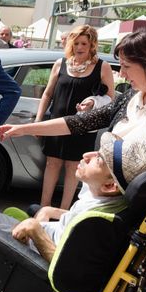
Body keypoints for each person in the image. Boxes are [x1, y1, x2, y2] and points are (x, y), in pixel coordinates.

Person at [0, 132, 146, 292]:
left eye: (98, 159)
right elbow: (74, 222)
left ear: (110, 185)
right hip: (45, 234)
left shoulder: (96, 224)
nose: (86, 155)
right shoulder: (110, 201)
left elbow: (67, 275)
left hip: (37, 255)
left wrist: (36, 228)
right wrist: (51, 211)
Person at [0, 26, 146, 197]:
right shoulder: (129, 97)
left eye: (126, 66)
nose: (122, 74)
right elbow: (79, 122)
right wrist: (24, 129)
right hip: (97, 196)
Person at [34, 25, 114, 209]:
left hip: (83, 126)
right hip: (56, 122)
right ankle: (43, 207)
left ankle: (63, 211)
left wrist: (93, 103)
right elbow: (47, 94)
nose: (79, 47)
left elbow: (111, 98)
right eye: (76, 43)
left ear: (92, 44)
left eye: (84, 43)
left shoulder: (102, 66)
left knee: (73, 167)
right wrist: (39, 121)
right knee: (52, 163)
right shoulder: (60, 63)